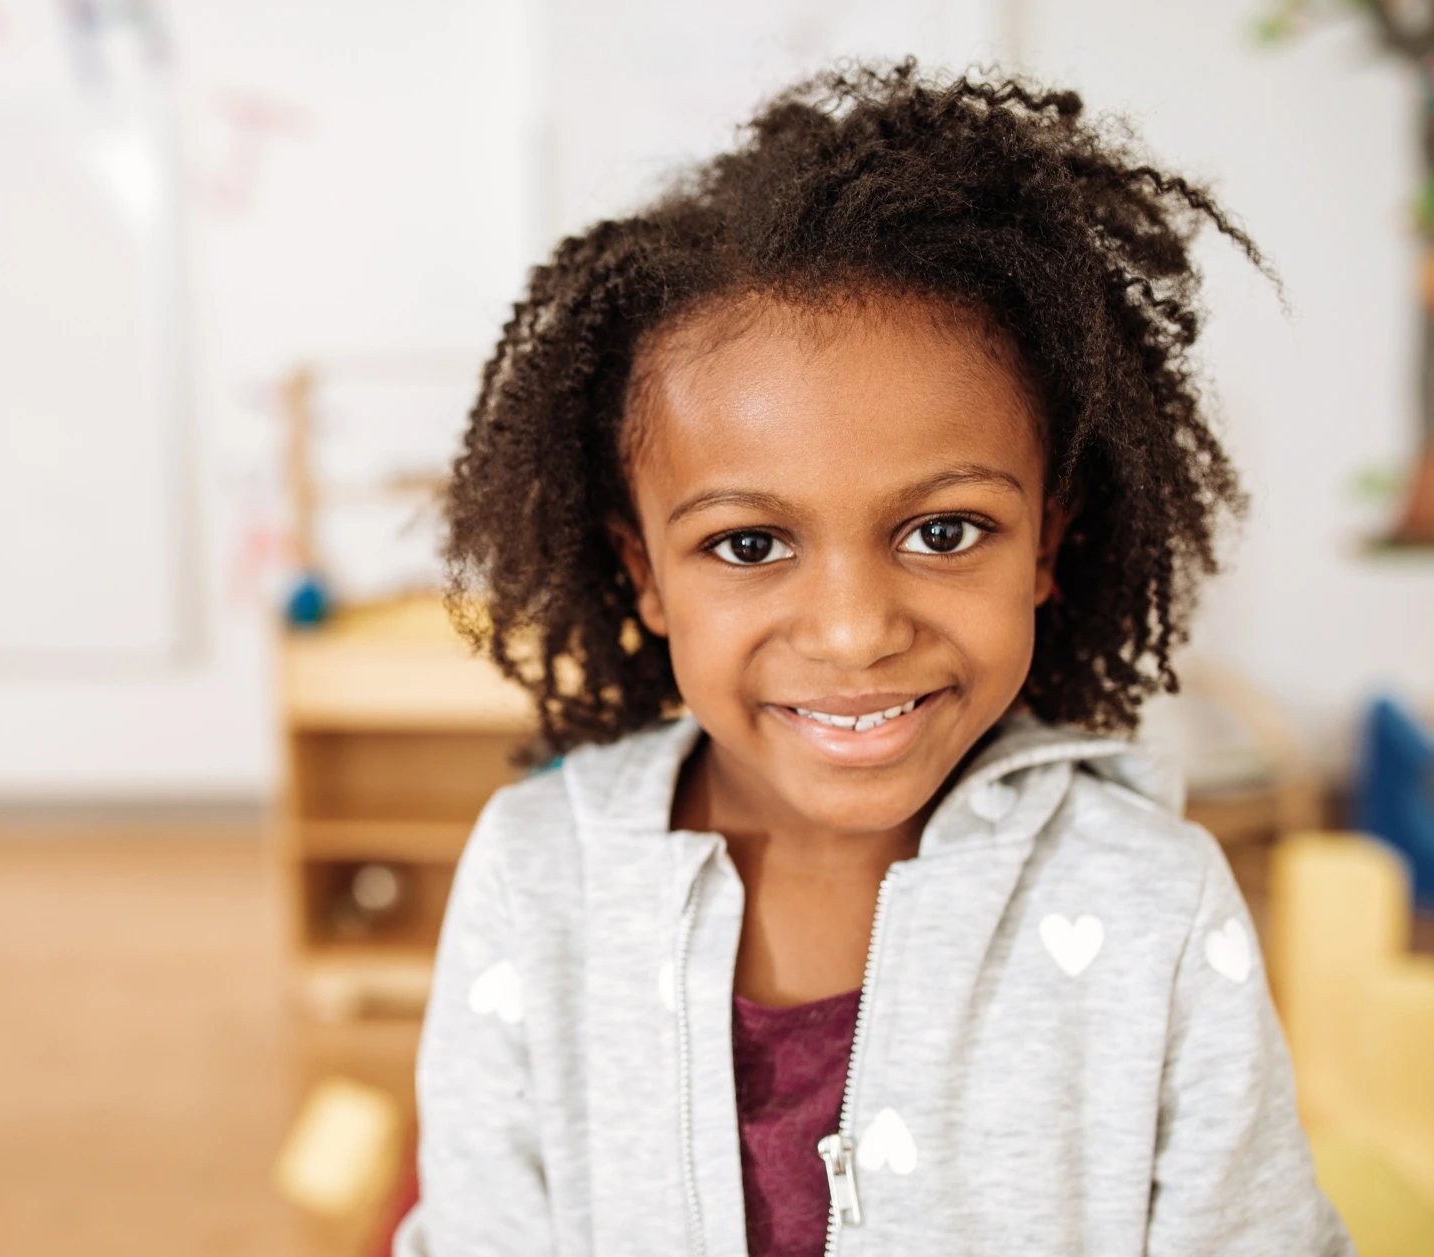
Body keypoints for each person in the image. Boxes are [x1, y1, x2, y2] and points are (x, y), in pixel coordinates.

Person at [392, 63, 1352, 1257]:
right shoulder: (538, 881)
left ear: (1047, 543)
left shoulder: (1151, 902)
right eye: (748, 544)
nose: (854, 631)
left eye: (942, 533)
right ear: (642, 571)